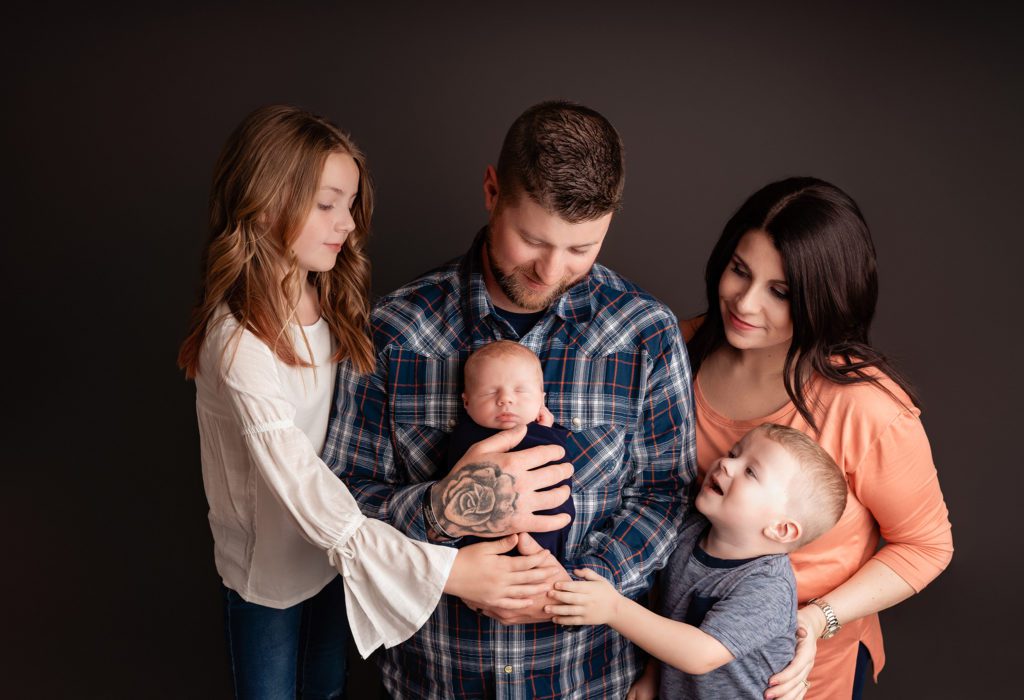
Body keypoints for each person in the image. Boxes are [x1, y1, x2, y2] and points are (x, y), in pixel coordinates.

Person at [177, 105, 565, 699]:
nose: (348, 226)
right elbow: (303, 482)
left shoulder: (330, 305)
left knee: (328, 690)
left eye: (350, 205)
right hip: (273, 577)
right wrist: (450, 572)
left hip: (340, 565)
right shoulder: (238, 345)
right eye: (327, 204)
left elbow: (346, 456)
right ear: (266, 202)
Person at [325, 100, 695, 698]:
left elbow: (664, 495)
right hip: (435, 681)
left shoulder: (645, 333)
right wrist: (440, 514)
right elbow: (338, 498)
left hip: (586, 680)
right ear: (492, 190)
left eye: (582, 249)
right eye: (532, 239)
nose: (551, 271)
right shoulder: (395, 330)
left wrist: (578, 588)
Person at [664, 177, 953, 700]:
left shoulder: (866, 405)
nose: (746, 304)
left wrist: (817, 621)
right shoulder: (673, 353)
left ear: (824, 299)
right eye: (739, 271)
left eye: (780, 293)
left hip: (795, 678)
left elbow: (926, 546)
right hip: (669, 663)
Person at [547, 423, 848, 699]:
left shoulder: (768, 588)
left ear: (780, 529)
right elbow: (671, 614)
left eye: (750, 472)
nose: (726, 463)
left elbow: (700, 653)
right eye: (734, 454)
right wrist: (654, 671)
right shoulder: (690, 531)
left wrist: (613, 608)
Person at [446, 339, 575, 559]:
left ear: (541, 401)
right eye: (489, 393)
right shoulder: (463, 439)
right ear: (466, 402)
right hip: (480, 556)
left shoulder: (549, 433)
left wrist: (547, 432)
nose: (505, 399)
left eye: (521, 391)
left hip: (545, 550)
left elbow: (561, 464)